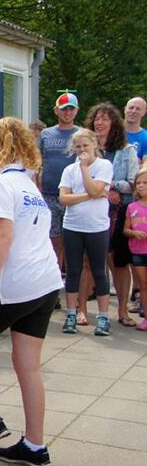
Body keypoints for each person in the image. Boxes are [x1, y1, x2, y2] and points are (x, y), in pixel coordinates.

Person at [0, 118, 62, 466]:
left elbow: (3, 236)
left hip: (16, 284)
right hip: (46, 283)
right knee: (28, 365)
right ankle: (35, 445)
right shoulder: (26, 183)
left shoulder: (2, 184)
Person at [83, 103, 138, 327]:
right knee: (90, 261)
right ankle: (82, 310)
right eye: (97, 118)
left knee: (119, 263)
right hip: (92, 211)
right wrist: (105, 190)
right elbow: (79, 180)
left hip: (120, 212)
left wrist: (110, 185)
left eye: (105, 118)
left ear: (114, 122)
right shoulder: (86, 150)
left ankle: (122, 311)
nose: (100, 122)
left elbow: (133, 183)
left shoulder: (126, 150)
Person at [59, 129, 114, 336]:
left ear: (94, 145)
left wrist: (84, 169)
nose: (82, 150)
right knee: (73, 271)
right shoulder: (68, 170)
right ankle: (71, 314)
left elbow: (95, 189)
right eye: (78, 146)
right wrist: (91, 195)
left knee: (99, 271)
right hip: (73, 226)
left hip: (97, 227)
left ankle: (103, 317)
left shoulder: (104, 165)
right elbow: (64, 198)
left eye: (85, 145)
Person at [38, 91, 80, 273]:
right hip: (49, 194)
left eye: (71, 109)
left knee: (73, 240)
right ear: (56, 110)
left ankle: (73, 278)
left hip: (74, 195)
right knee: (53, 238)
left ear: (77, 111)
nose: (67, 113)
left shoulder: (81, 134)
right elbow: (37, 162)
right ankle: (55, 278)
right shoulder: (46, 134)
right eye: (64, 109)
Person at [123, 168, 147, 331]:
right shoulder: (132, 207)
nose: (141, 185)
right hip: (138, 252)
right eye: (138, 183)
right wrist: (133, 233)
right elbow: (126, 229)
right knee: (143, 285)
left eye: (145, 182)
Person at [123, 97, 147, 162]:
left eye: (138, 109)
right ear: (125, 109)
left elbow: (145, 164)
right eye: (131, 108)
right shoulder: (111, 131)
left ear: (144, 112)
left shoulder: (145, 138)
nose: (133, 111)